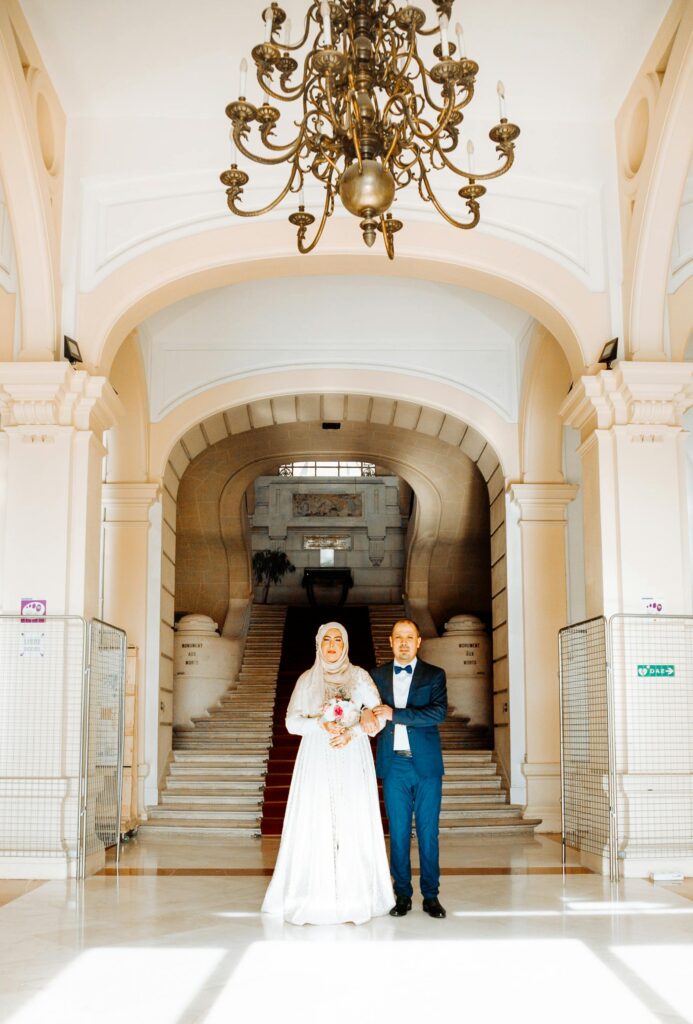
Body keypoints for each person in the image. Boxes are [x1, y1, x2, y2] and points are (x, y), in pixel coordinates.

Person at [262, 621, 394, 925]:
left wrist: (354, 731)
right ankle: (316, 895)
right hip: (317, 756)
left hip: (351, 754)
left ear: (345, 645)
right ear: (318, 644)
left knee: (351, 818)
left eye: (338, 639)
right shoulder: (307, 680)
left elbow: (378, 718)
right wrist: (320, 725)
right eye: (327, 640)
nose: (332, 645)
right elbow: (292, 723)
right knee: (318, 817)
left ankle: (355, 896)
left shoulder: (360, 677)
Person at [371, 618, 448, 919]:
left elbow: (437, 712)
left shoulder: (435, 675)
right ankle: (401, 893)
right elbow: (368, 712)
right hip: (394, 765)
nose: (403, 642)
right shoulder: (376, 676)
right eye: (398, 637)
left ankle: (431, 896)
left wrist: (395, 714)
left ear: (418, 642)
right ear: (391, 642)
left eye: (409, 637)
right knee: (399, 832)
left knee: (429, 832)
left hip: (426, 765)